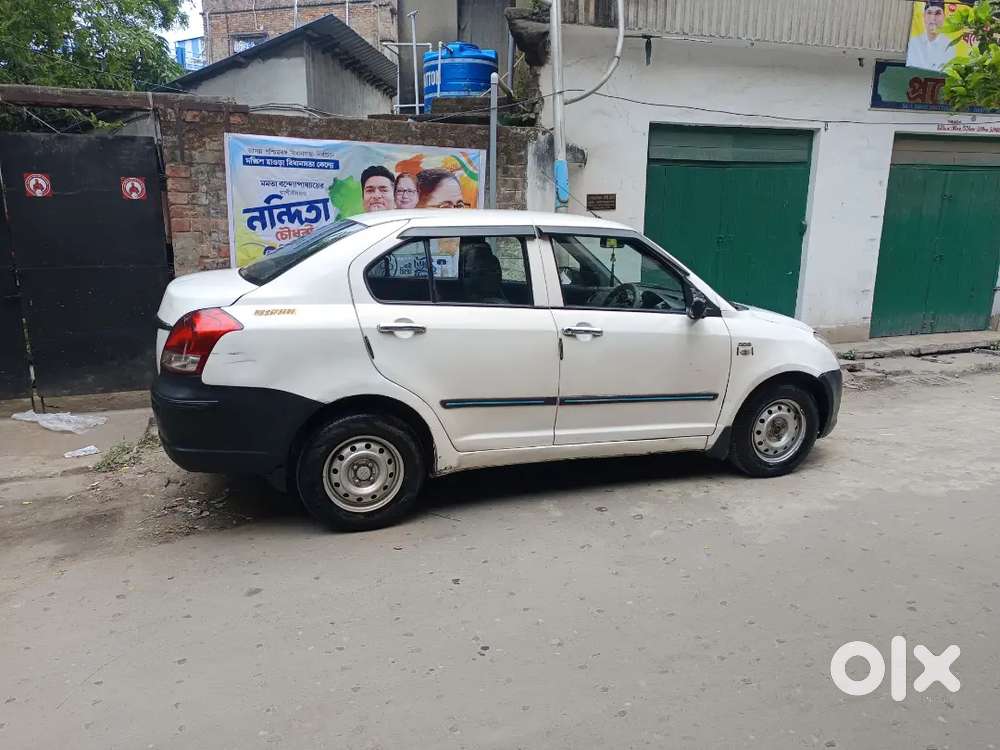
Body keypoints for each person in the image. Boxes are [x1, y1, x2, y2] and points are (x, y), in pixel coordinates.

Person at [906, 0, 956, 73]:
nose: (933, 18)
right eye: (929, 13)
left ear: (944, 17)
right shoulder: (914, 42)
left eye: (938, 13)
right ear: (924, 16)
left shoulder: (949, 46)